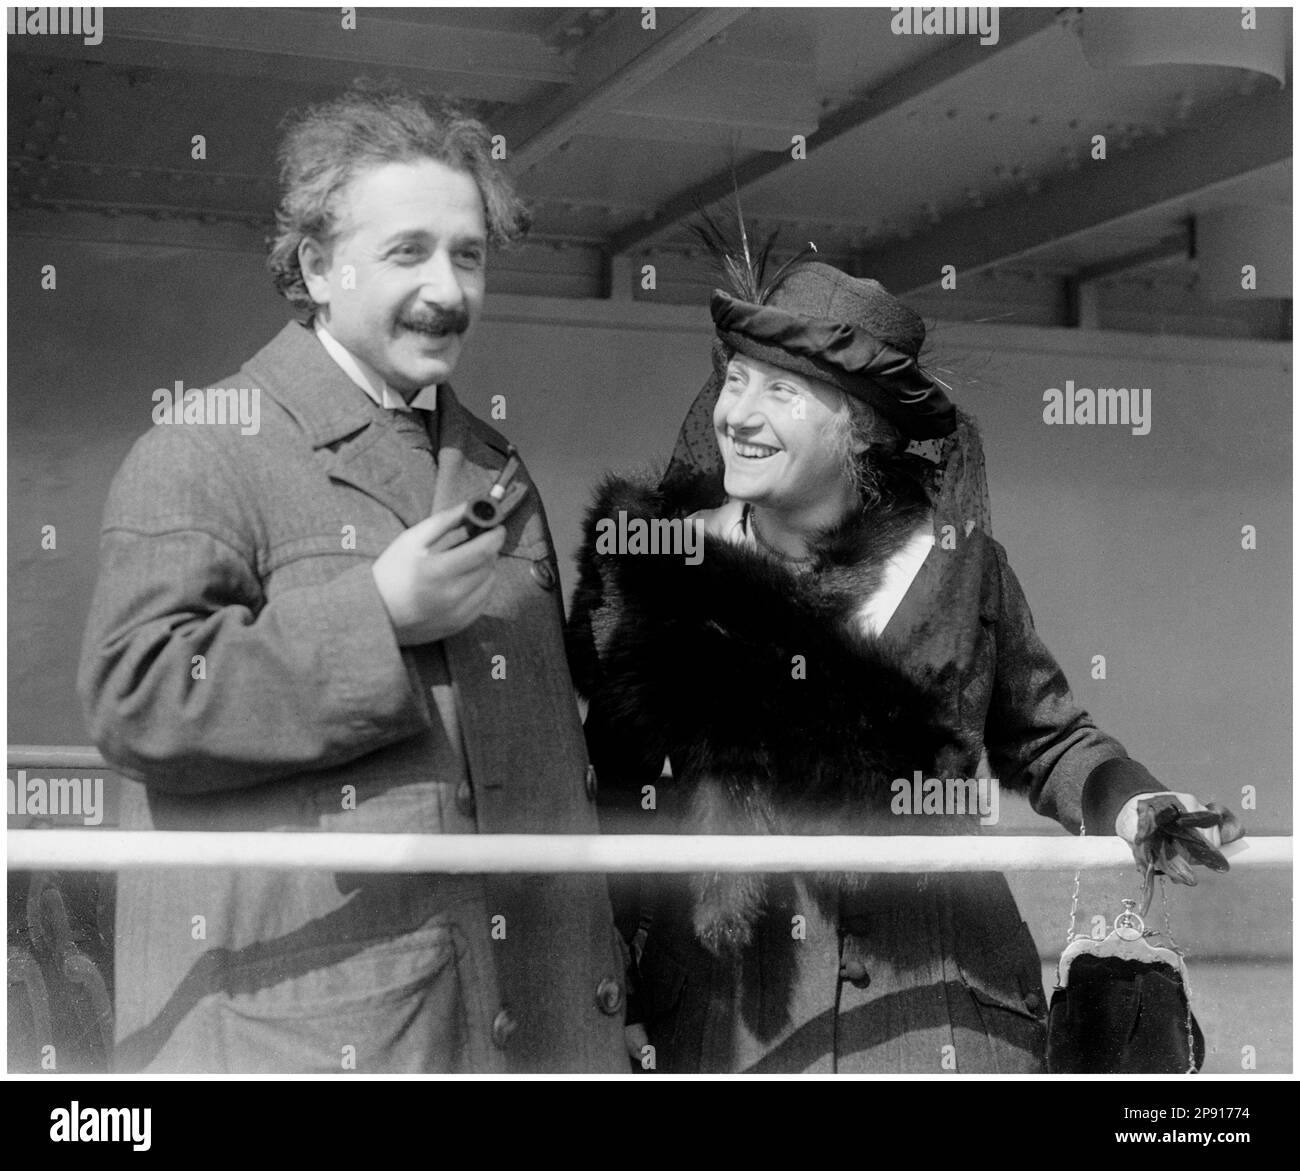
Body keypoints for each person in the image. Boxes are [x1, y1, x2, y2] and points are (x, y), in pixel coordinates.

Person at [566, 245, 1243, 1074]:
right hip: (733, 1028)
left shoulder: (956, 570)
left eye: (780, 390)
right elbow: (615, 806)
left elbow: (1051, 740)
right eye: (735, 379)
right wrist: (626, 995)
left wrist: (1136, 802)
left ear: (864, 428)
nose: (737, 413)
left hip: (947, 1017)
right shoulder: (662, 579)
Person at [77, 86, 627, 1074]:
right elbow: (134, 697)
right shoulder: (205, 445)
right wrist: (376, 614)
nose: (448, 289)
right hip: (325, 1034)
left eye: (468, 254)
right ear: (317, 267)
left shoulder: (494, 464)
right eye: (407, 251)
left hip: (523, 1024)